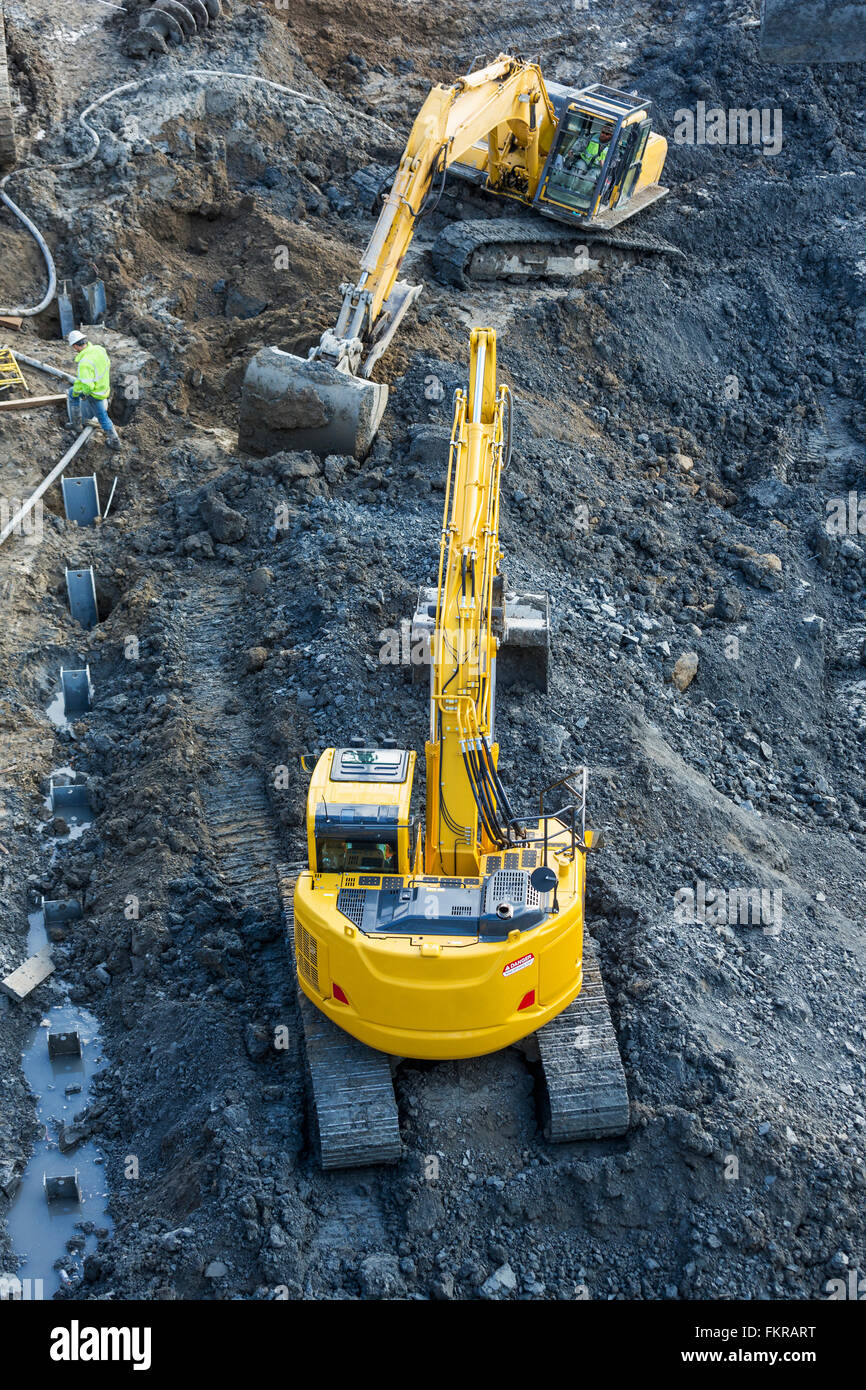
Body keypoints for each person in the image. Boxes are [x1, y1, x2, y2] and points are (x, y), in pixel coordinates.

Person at [67, 329, 121, 450]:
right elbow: (107, 364)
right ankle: (77, 424)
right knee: (72, 393)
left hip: (95, 393)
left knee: (101, 416)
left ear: (76, 346)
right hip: (103, 387)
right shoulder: (99, 349)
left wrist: (83, 394)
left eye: (73, 347)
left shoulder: (85, 363)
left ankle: (115, 441)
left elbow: (87, 387)